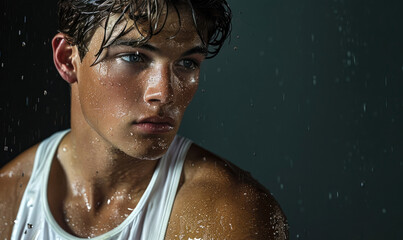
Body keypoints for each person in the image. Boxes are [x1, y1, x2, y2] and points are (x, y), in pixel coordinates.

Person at [0, 0, 289, 239]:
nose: (164, 93)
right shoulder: (8, 201)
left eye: (187, 63)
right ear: (67, 59)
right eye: (134, 57)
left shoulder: (229, 214)